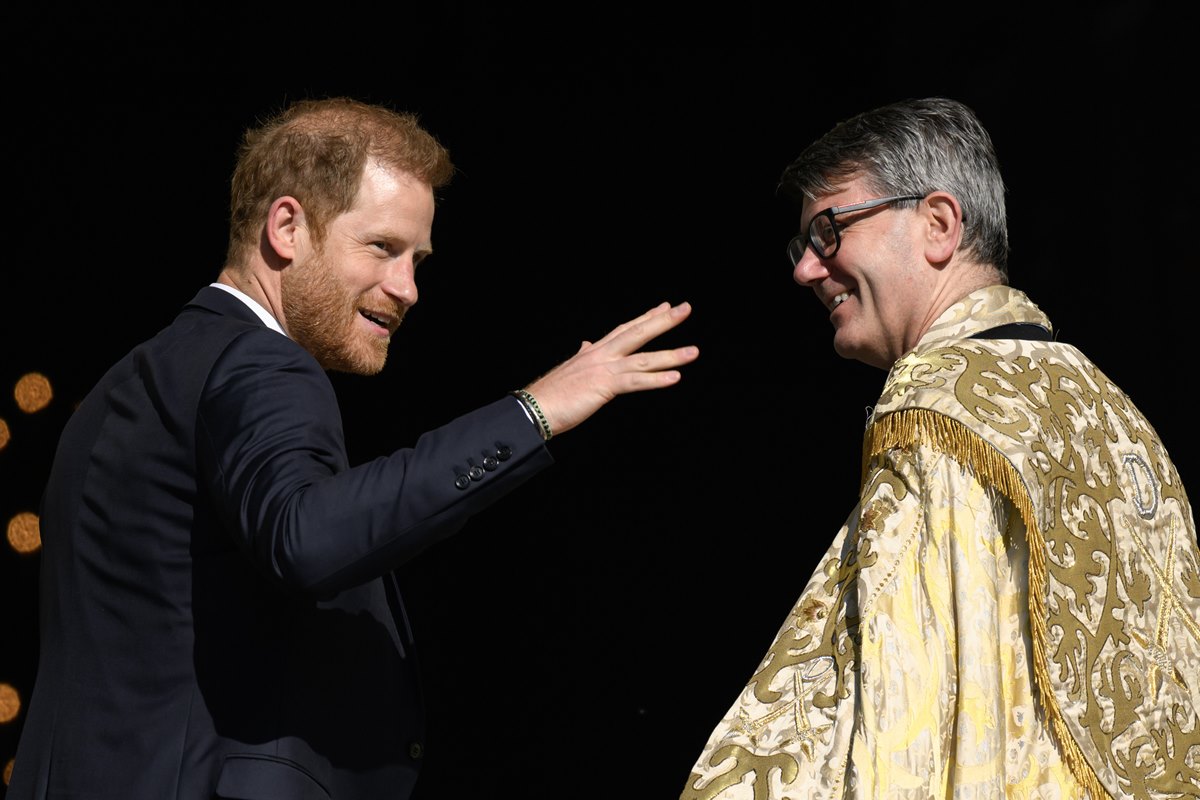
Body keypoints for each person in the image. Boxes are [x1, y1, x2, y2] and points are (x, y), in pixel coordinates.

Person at [6, 96, 699, 800]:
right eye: (383, 248)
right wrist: (534, 411)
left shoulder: (131, 384)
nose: (408, 288)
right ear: (286, 227)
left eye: (419, 260)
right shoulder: (259, 362)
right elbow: (307, 537)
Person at [680, 97, 1199, 800]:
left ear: (938, 224)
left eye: (829, 230)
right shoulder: (1118, 414)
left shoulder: (939, 403)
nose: (806, 270)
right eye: (802, 244)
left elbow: (905, 710)